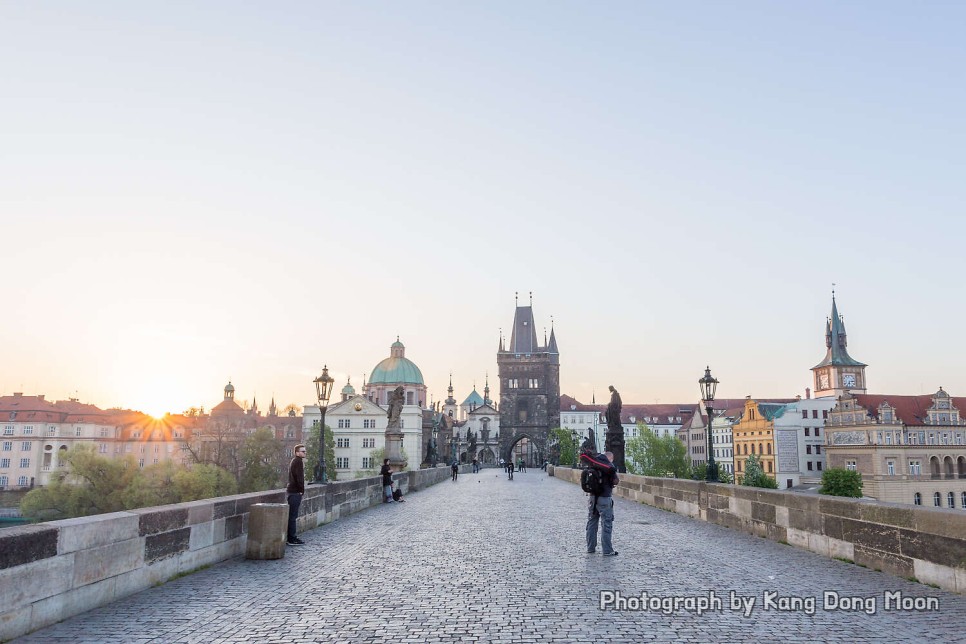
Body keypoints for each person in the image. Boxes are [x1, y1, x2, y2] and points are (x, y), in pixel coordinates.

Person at [582, 450, 620, 556]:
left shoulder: (593, 464)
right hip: (604, 498)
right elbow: (615, 481)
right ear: (610, 458)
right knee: (606, 524)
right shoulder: (609, 466)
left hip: (593, 498)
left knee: (592, 522)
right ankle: (607, 550)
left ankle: (590, 548)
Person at [286, 444, 307, 546]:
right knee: (292, 516)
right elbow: (299, 478)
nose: (304, 453)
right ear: (297, 452)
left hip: (292, 491)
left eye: (305, 451)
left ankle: (291, 537)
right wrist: (301, 490)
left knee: (292, 516)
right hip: (294, 492)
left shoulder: (294, 461)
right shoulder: (298, 461)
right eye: (303, 451)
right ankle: (291, 538)